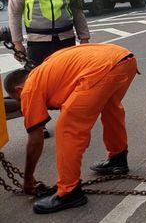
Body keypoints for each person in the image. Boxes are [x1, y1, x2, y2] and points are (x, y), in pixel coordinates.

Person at [3, 43, 138, 214]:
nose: (23, 103)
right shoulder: (47, 70)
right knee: (111, 108)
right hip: (124, 59)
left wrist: (28, 179)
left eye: (18, 99)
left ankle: (69, 192)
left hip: (102, 68)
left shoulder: (29, 88)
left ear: (18, 89)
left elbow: (35, 138)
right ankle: (118, 158)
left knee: (67, 127)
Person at [8, 0, 91, 139]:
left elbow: (78, 11)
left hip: (66, 39)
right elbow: (14, 14)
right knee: (35, 84)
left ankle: (68, 116)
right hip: (38, 42)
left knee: (69, 81)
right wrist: (17, 42)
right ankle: (39, 123)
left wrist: (84, 37)